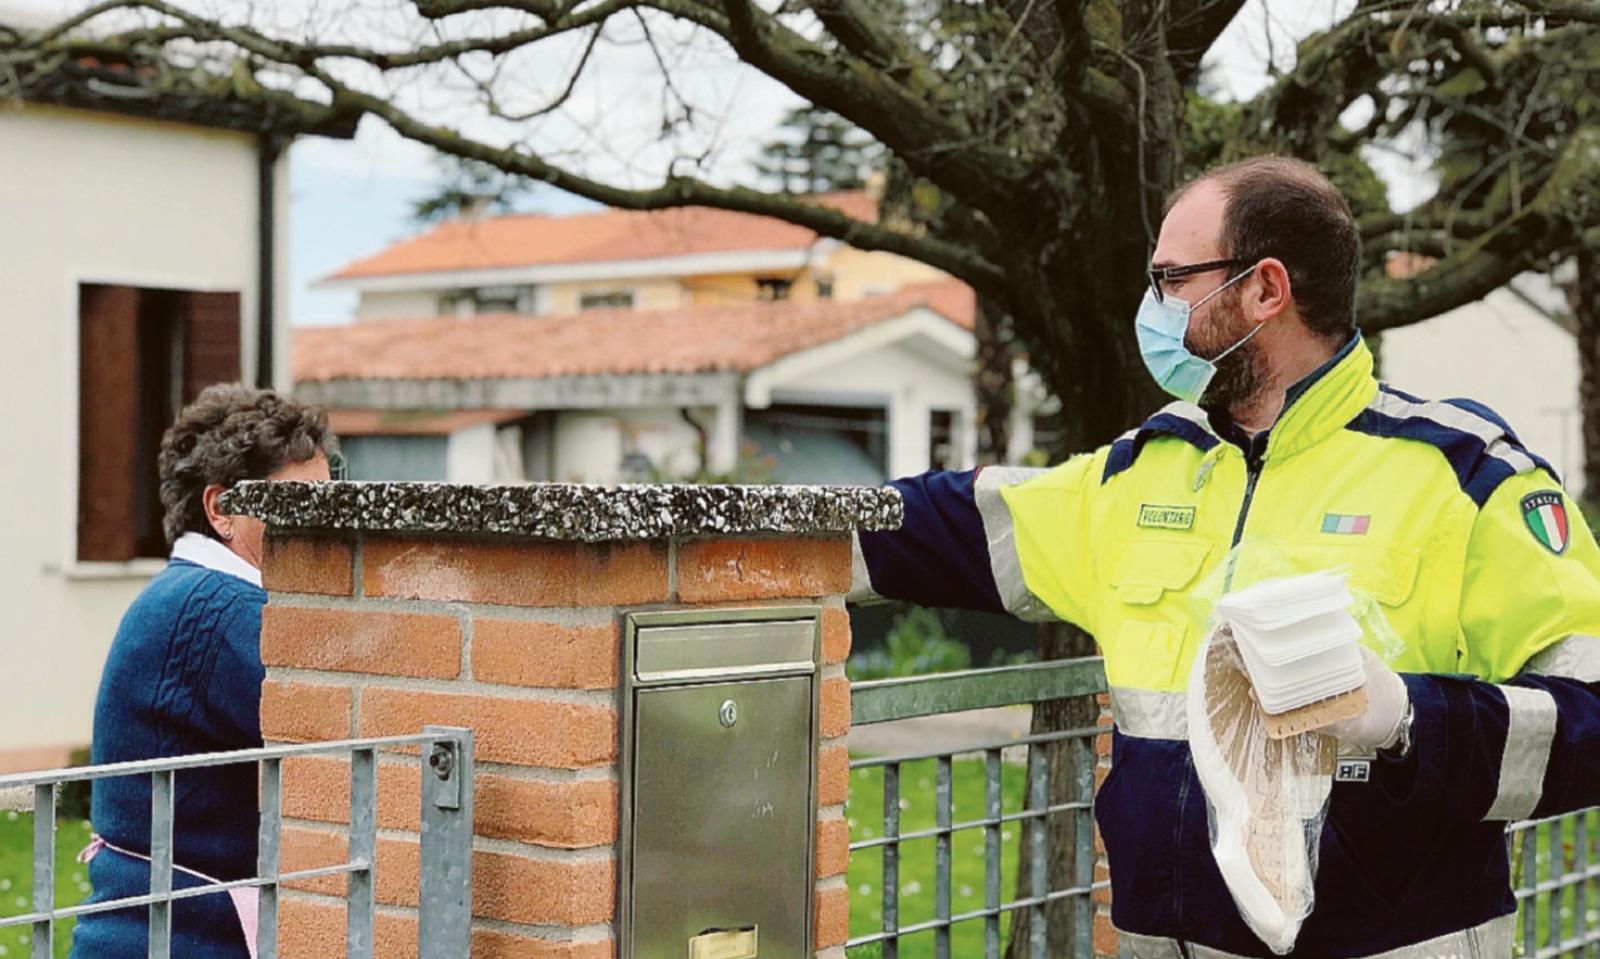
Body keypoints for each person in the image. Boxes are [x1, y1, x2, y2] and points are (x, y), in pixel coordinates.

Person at [851, 156, 1600, 957]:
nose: (1152, 307)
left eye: (1171, 278)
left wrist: (1407, 717)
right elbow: (931, 527)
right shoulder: (1145, 469)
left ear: (1264, 289)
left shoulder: (1465, 476)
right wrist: (738, 533)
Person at [69, 384, 334, 959]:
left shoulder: (188, 594)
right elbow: (344, 724)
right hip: (171, 940)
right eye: (299, 502)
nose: (323, 523)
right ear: (222, 510)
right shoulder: (219, 610)